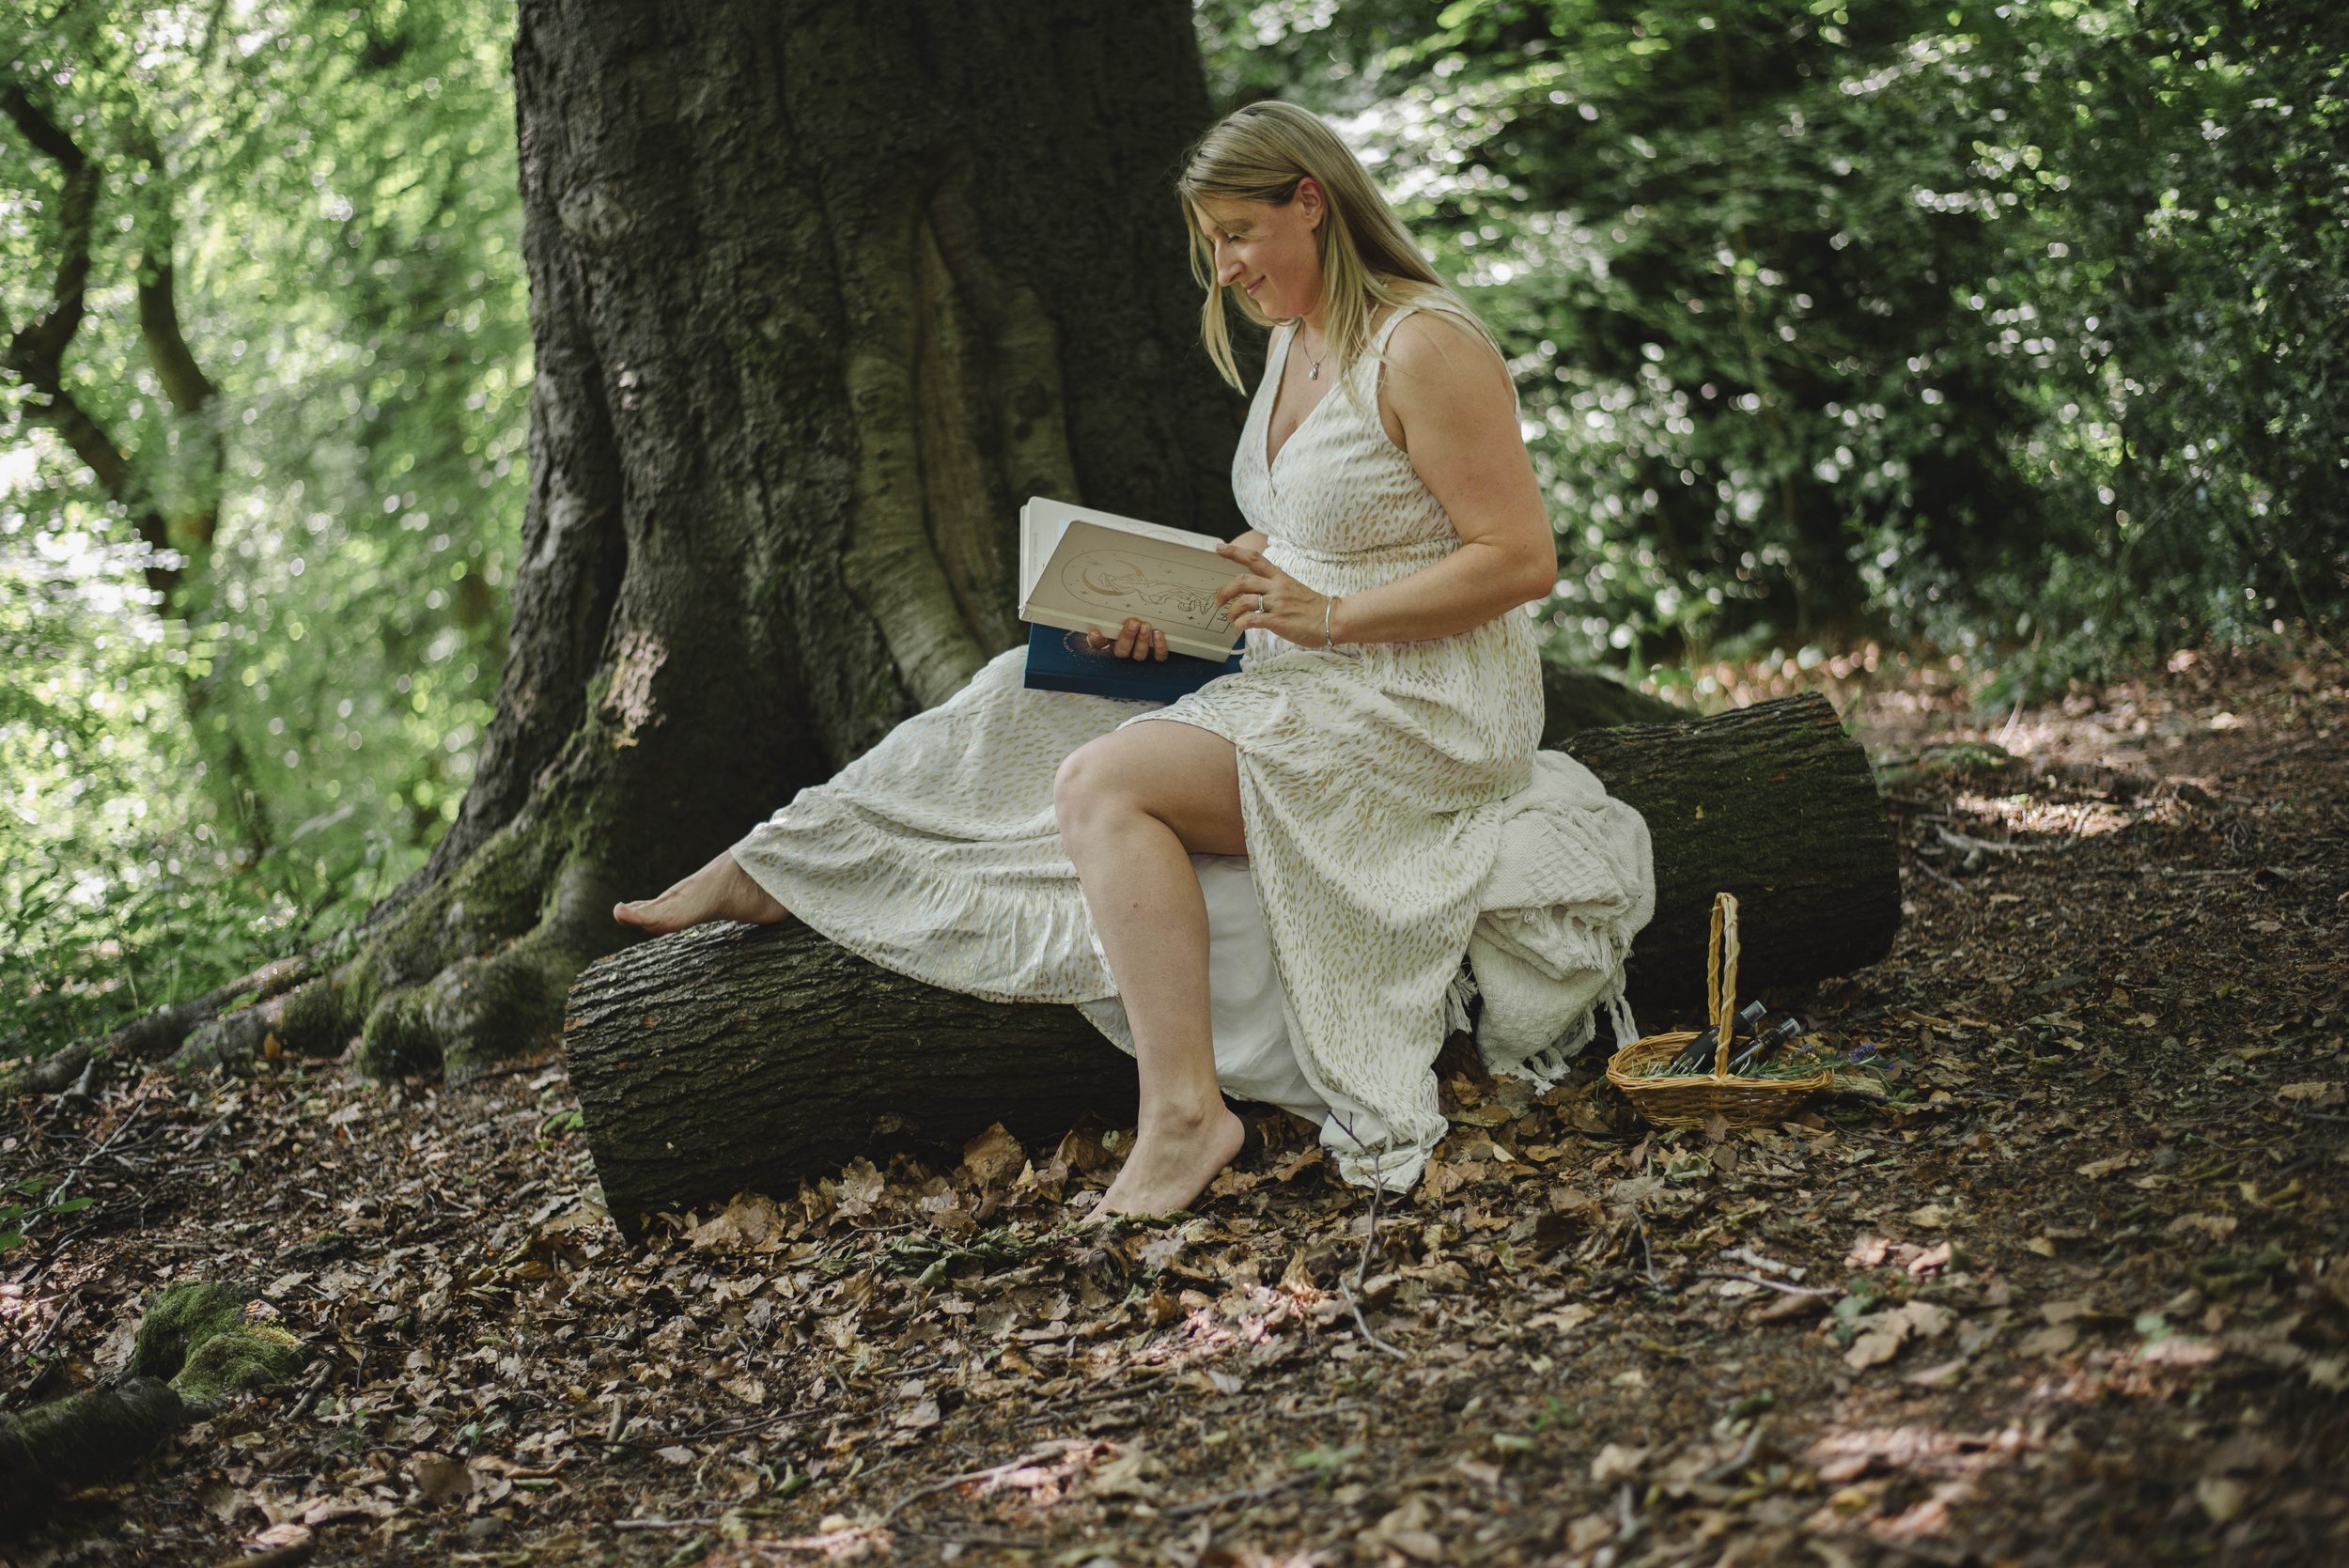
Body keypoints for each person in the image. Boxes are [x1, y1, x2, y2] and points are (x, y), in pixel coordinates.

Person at [611, 101, 1583, 1220]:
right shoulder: (1291, 340)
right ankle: (786, 858)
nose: (1222, 269)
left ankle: (1183, 1112)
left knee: (1102, 780)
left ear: (1309, 202)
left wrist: (1321, 617)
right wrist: (1182, 590)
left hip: (1422, 700)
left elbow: (1517, 558)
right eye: (1210, 243)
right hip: (1303, 646)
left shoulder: (1425, 344)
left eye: (1235, 235)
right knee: (1022, 682)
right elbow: (1324, 523)